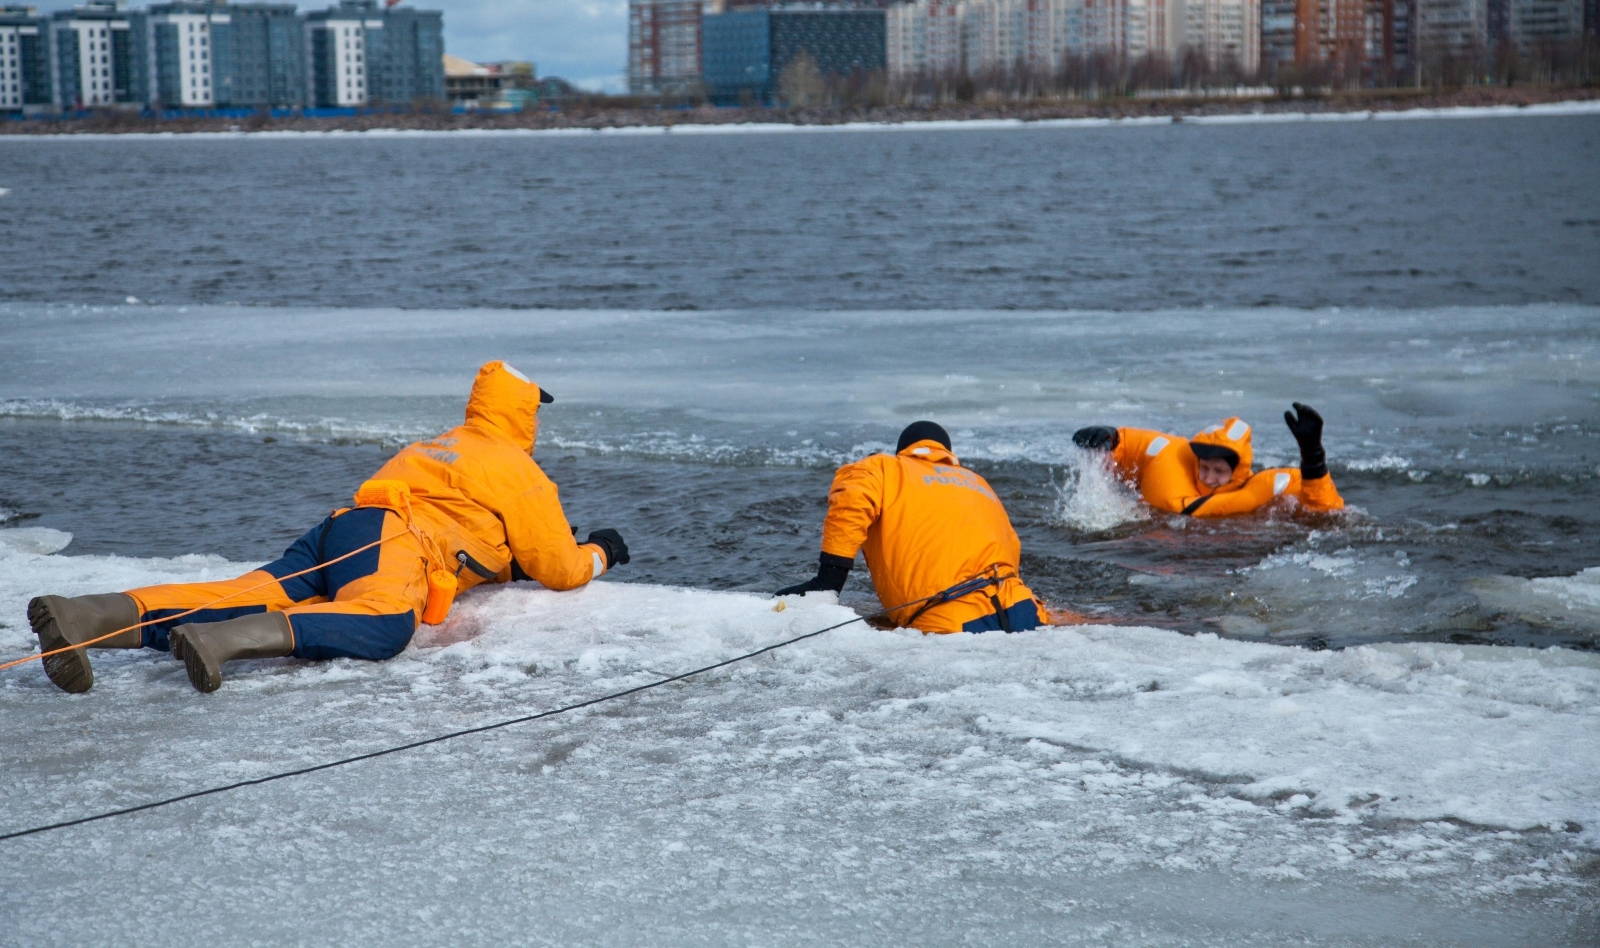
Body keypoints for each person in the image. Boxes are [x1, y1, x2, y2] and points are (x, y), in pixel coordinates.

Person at [28, 361, 629, 694]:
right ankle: (223, 643)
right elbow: (559, 567)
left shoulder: (438, 444)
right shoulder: (520, 472)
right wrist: (600, 550)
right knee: (384, 624)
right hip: (396, 548)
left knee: (242, 589)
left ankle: (87, 616)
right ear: (525, 416)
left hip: (345, 530)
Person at [776, 420, 1084, 634]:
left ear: (903, 450)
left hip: (950, 620)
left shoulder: (884, 467)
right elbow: (1010, 548)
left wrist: (828, 582)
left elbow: (851, 502)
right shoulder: (978, 482)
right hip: (1024, 609)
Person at [1070, 403, 1343, 516]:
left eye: (1219, 471)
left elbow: (1327, 510)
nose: (1209, 478)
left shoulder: (1263, 490)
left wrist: (1313, 456)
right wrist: (1112, 438)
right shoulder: (1174, 459)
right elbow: (1135, 446)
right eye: (1204, 468)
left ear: (1237, 472)